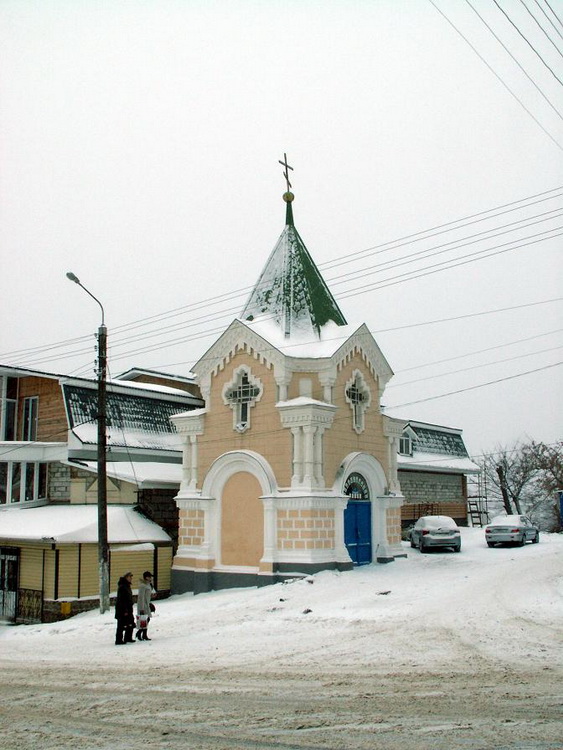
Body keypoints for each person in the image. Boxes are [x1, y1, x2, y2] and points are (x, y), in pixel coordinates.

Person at [115, 572, 135, 645]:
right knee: (121, 625)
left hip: (128, 608)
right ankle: (119, 640)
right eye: (130, 577)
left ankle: (128, 637)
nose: (131, 579)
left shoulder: (127, 586)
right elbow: (122, 599)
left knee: (130, 622)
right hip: (122, 609)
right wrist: (125, 610)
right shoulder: (122, 587)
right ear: (126, 577)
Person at [136, 571, 155, 641]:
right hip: (143, 605)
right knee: (143, 620)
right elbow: (141, 597)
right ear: (146, 577)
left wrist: (151, 596)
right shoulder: (142, 586)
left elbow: (147, 595)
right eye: (150, 577)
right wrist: (141, 608)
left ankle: (143, 634)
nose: (151, 578)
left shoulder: (148, 585)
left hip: (147, 604)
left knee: (146, 619)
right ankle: (140, 633)